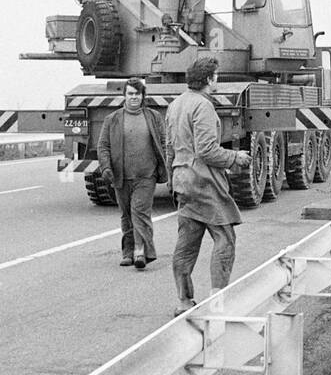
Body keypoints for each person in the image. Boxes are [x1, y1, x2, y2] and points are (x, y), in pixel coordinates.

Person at [166, 55, 250, 316]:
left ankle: (184, 300)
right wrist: (236, 157)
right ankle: (217, 301)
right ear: (209, 79)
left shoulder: (176, 105)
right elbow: (207, 150)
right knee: (225, 238)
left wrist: (172, 180)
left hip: (182, 179)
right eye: (216, 76)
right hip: (204, 180)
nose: (218, 80)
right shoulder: (203, 106)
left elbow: (169, 147)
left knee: (187, 242)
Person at [97, 77, 167, 270]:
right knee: (126, 214)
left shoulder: (153, 117)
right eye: (130, 94)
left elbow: (163, 142)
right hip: (121, 176)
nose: (134, 97)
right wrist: (106, 168)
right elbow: (103, 145)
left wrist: (166, 165)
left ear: (143, 96)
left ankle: (140, 251)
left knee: (139, 211)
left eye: (137, 94)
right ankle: (127, 253)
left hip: (147, 175)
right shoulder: (113, 119)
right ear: (124, 96)